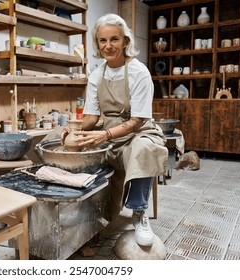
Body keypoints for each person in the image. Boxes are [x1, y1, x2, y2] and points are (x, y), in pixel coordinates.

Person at [63, 14, 168, 247]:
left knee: (144, 149)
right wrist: (72, 130)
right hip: (107, 131)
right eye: (102, 41)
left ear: (125, 41)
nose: (108, 46)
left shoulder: (138, 72)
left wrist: (105, 135)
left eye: (114, 39)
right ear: (97, 44)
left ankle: (139, 213)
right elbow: (91, 117)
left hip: (137, 132)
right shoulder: (96, 75)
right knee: (59, 139)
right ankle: (86, 209)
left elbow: (138, 121)